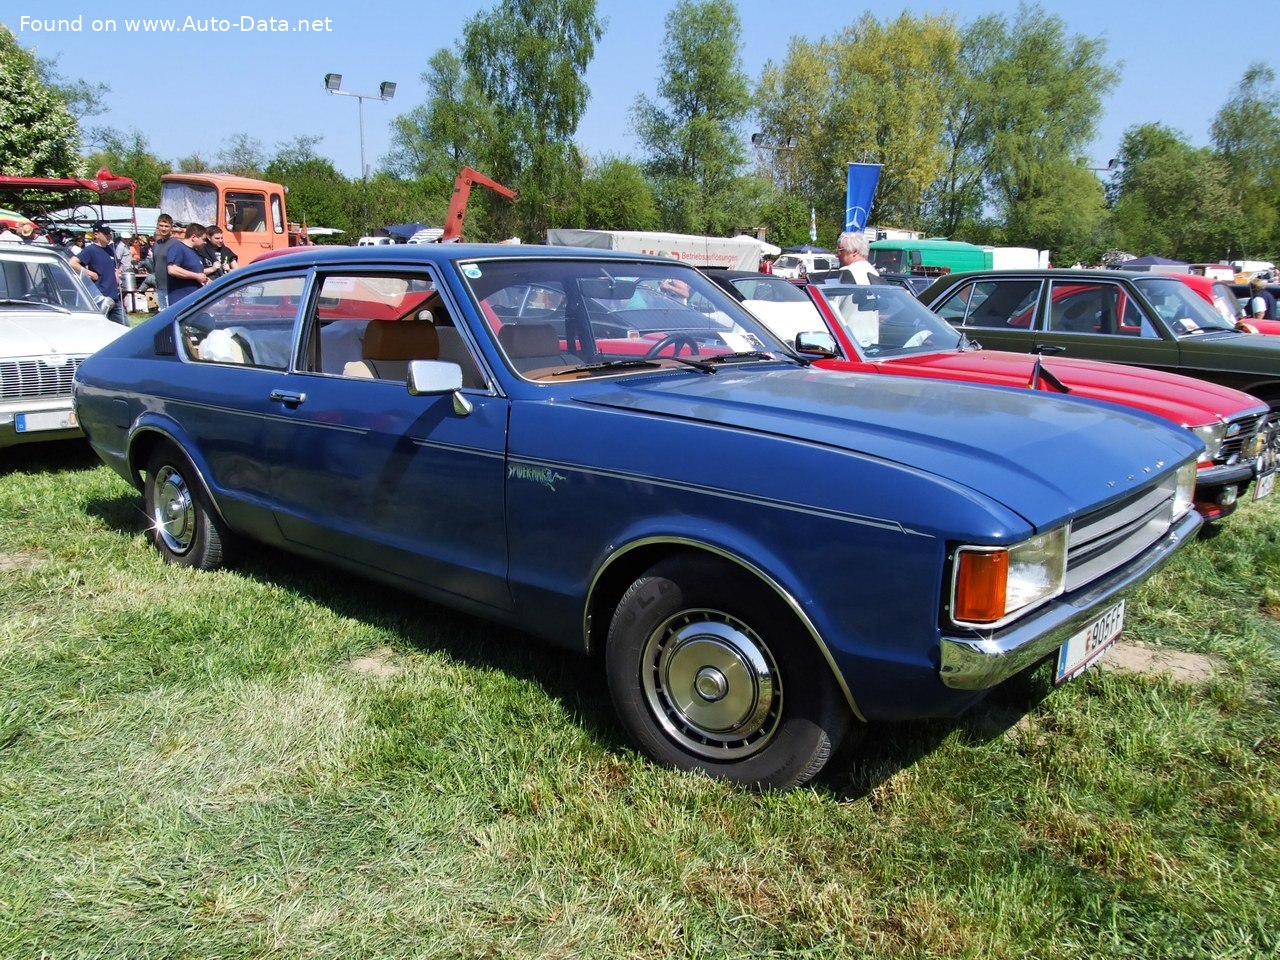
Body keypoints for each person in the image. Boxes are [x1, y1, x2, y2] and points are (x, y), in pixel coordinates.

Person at [71, 222, 127, 325]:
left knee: (124, 327)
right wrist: (89, 273)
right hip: (100, 297)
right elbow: (72, 263)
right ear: (96, 234)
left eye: (110, 233)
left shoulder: (111, 249)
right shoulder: (90, 250)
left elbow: (114, 267)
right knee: (101, 326)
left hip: (114, 296)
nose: (109, 236)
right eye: (106, 234)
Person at [166, 223, 211, 305]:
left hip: (194, 302)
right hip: (181, 302)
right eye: (203, 239)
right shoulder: (178, 248)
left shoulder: (195, 252)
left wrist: (207, 280)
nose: (205, 243)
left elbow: (197, 272)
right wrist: (196, 276)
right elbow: (172, 270)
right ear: (193, 237)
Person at [151, 214, 175, 309]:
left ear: (171, 227)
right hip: (160, 286)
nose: (163, 229)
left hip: (171, 288)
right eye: (161, 226)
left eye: (166, 226)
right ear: (157, 226)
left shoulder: (175, 244)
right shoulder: (156, 244)